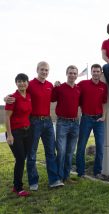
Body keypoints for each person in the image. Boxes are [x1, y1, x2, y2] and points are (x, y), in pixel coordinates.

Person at [5, 62, 64, 190]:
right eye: (42, 69)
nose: (44, 72)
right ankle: (33, 182)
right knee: (32, 153)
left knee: (50, 152)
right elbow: (18, 93)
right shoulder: (30, 84)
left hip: (48, 122)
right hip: (34, 122)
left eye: (46, 70)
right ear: (37, 70)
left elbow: (54, 98)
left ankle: (54, 180)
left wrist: (57, 85)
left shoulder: (49, 85)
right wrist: (6, 98)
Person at [76, 64, 108, 179]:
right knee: (81, 146)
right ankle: (81, 173)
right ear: (91, 72)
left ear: (101, 73)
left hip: (99, 119)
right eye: (94, 71)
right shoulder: (83, 84)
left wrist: (104, 116)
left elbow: (104, 103)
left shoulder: (104, 86)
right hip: (86, 119)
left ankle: (97, 172)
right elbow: (73, 91)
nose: (95, 73)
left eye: (98, 71)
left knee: (100, 146)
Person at [51, 65, 80, 182]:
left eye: (74, 73)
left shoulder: (79, 89)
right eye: (70, 73)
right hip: (62, 123)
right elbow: (52, 99)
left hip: (75, 123)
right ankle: (58, 177)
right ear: (66, 74)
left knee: (70, 152)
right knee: (61, 151)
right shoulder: (60, 87)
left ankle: (66, 176)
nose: (72, 75)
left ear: (77, 75)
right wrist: (54, 85)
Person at [5, 73, 32, 197]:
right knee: (20, 159)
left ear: (27, 83)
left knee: (21, 159)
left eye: (24, 81)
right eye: (19, 81)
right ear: (16, 83)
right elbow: (7, 117)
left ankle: (16, 184)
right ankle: (18, 187)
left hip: (27, 132)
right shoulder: (12, 98)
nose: (22, 83)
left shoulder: (29, 96)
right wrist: (9, 135)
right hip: (15, 133)